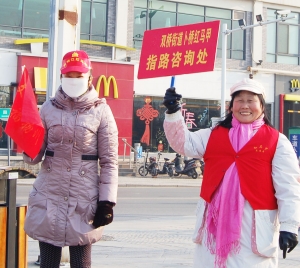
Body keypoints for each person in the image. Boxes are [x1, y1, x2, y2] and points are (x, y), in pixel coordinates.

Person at [162, 78, 300, 268]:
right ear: (231, 106)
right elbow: (184, 143)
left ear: (261, 105)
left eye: (251, 100)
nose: (245, 106)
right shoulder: (213, 134)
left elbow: (289, 187)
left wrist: (289, 227)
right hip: (214, 229)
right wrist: (173, 112)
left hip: (254, 228)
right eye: (239, 100)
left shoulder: (277, 141)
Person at [23, 50, 118, 268]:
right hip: (49, 195)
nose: (73, 80)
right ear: (61, 77)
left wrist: (107, 202)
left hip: (83, 199)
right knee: (47, 263)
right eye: (69, 75)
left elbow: (109, 162)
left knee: (81, 263)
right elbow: (35, 156)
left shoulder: (102, 111)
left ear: (89, 77)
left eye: (78, 75)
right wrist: (27, 142)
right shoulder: (48, 108)